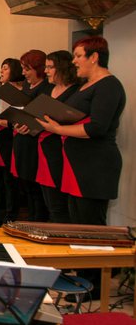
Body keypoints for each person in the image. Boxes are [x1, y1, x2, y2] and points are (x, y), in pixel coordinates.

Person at [38, 37, 125, 302]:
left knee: (92, 228)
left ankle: (94, 286)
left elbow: (97, 127)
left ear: (94, 56)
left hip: (95, 164)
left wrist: (57, 129)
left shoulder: (109, 86)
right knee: (79, 225)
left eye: (78, 55)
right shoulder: (88, 85)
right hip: (77, 163)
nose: (74, 61)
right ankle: (82, 277)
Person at [36, 51, 79, 223]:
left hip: (61, 149)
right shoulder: (48, 88)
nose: (46, 71)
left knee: (60, 203)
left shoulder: (75, 92)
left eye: (50, 67)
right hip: (44, 146)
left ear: (62, 67)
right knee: (49, 200)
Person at [0, 58, 24, 224]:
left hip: (9, 139)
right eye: (1, 68)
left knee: (9, 181)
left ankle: (10, 216)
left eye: (5, 68)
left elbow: (16, 117)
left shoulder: (21, 92)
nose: (1, 71)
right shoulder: (1, 90)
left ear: (14, 71)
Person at [12, 50, 51, 222]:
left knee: (36, 187)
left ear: (38, 68)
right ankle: (31, 218)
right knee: (25, 184)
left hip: (35, 142)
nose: (23, 73)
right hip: (22, 139)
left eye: (27, 69)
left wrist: (31, 126)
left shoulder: (47, 88)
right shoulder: (27, 86)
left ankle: (38, 221)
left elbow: (46, 116)